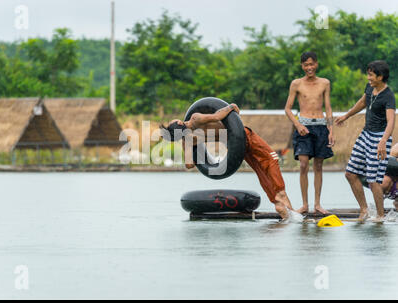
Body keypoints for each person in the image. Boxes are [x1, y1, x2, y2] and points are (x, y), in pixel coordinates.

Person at [160, 103, 294, 220]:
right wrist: (231, 106)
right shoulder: (196, 118)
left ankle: (278, 204)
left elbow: (189, 165)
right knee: (271, 158)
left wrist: (192, 146)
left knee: (260, 170)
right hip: (243, 136)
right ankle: (283, 198)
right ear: (178, 123)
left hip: (235, 146)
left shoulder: (187, 140)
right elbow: (217, 116)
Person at [335, 60, 396, 222]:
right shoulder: (370, 88)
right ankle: (364, 210)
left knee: (373, 179)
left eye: (371, 75)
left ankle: (380, 216)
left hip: (380, 137)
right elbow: (363, 102)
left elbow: (391, 121)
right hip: (366, 134)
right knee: (350, 173)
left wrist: (383, 141)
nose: (368, 77)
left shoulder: (388, 96)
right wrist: (346, 115)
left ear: (380, 77)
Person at [284, 51, 335, 215]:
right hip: (303, 126)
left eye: (312, 64)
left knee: (319, 166)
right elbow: (288, 109)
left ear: (317, 64)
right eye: (306, 64)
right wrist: (297, 124)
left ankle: (317, 204)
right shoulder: (296, 84)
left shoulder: (325, 83)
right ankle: (304, 204)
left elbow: (328, 108)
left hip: (321, 126)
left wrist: (331, 131)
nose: (309, 67)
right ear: (302, 66)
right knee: (304, 164)